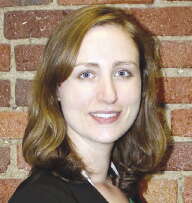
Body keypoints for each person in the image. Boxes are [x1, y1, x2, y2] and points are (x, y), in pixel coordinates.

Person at [9, 5, 167, 203]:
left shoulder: (120, 187)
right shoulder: (41, 197)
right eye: (86, 74)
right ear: (56, 87)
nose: (109, 95)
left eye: (122, 73)